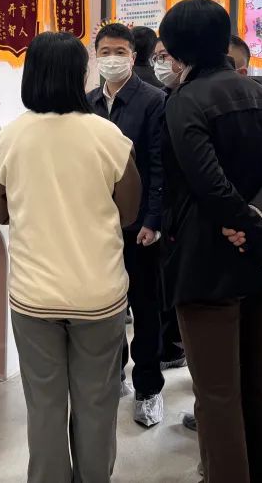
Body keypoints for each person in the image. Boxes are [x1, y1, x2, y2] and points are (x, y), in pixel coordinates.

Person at [159, 0, 262, 483]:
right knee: (259, 380)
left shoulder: (184, 101)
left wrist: (252, 231)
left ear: (177, 51)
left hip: (207, 262)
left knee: (217, 392)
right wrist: (261, 226)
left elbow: (211, 187)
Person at [0, 32, 140, 483]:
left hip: (33, 297)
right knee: (97, 402)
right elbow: (130, 212)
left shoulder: (9, 138)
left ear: (31, 75)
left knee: (44, 405)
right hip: (99, 294)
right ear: (78, 75)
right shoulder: (108, 136)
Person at [88, 23, 168, 427]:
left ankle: (149, 389)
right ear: (95, 56)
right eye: (105, 51)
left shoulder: (153, 100)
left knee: (145, 307)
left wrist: (153, 219)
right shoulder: (88, 102)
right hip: (98, 224)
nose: (112, 59)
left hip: (139, 225)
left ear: (134, 57)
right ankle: (114, 371)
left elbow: (158, 165)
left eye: (120, 51)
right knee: (106, 304)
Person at [149, 38, 189, 377]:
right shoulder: (163, 98)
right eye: (157, 57)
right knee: (161, 288)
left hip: (187, 214)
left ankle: (180, 347)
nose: (162, 63)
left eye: (167, 56)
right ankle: (172, 346)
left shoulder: (188, 101)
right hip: (161, 213)